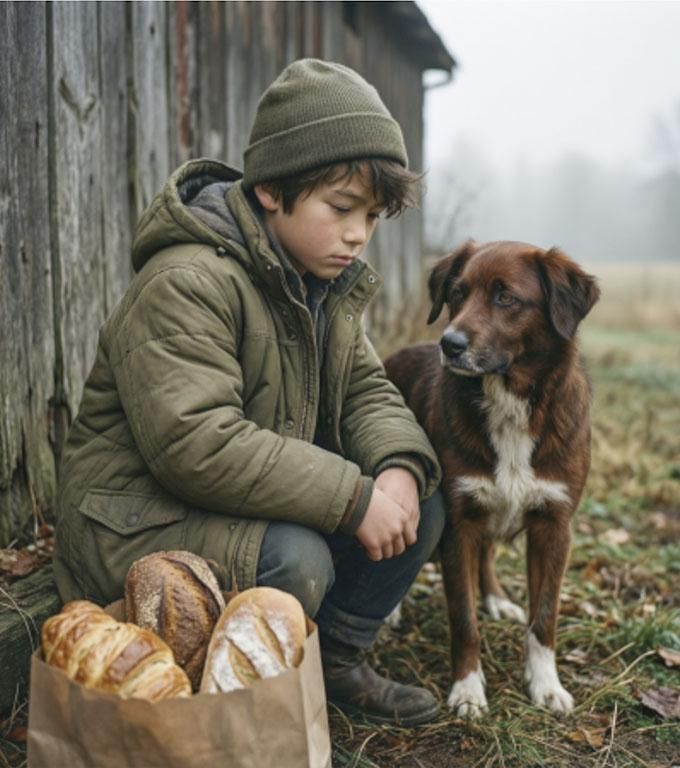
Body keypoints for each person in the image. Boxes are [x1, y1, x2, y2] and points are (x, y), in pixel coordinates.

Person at [53, 58, 445, 725]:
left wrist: (400, 471)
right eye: (342, 208)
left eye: (373, 216)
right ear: (270, 190)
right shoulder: (187, 281)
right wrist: (354, 500)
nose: (358, 234)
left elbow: (366, 393)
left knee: (423, 507)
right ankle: (216, 709)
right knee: (298, 560)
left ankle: (334, 664)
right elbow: (196, 442)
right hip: (132, 516)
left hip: (231, 501)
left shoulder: (318, 284)